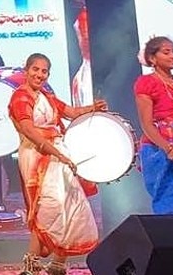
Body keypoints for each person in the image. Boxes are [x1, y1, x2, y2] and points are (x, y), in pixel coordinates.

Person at [8, 53, 106, 275]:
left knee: (69, 203)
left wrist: (93, 108)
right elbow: (30, 132)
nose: (40, 74)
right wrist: (58, 154)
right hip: (37, 157)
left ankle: (58, 264)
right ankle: (31, 266)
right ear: (26, 70)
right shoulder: (20, 97)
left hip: (59, 153)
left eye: (44, 71)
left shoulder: (47, 96)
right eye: (35, 69)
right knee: (46, 208)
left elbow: (70, 112)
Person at [134, 36, 173, 214]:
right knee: (168, 201)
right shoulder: (146, 82)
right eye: (166, 52)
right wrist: (168, 148)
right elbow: (146, 123)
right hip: (158, 148)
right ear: (152, 58)